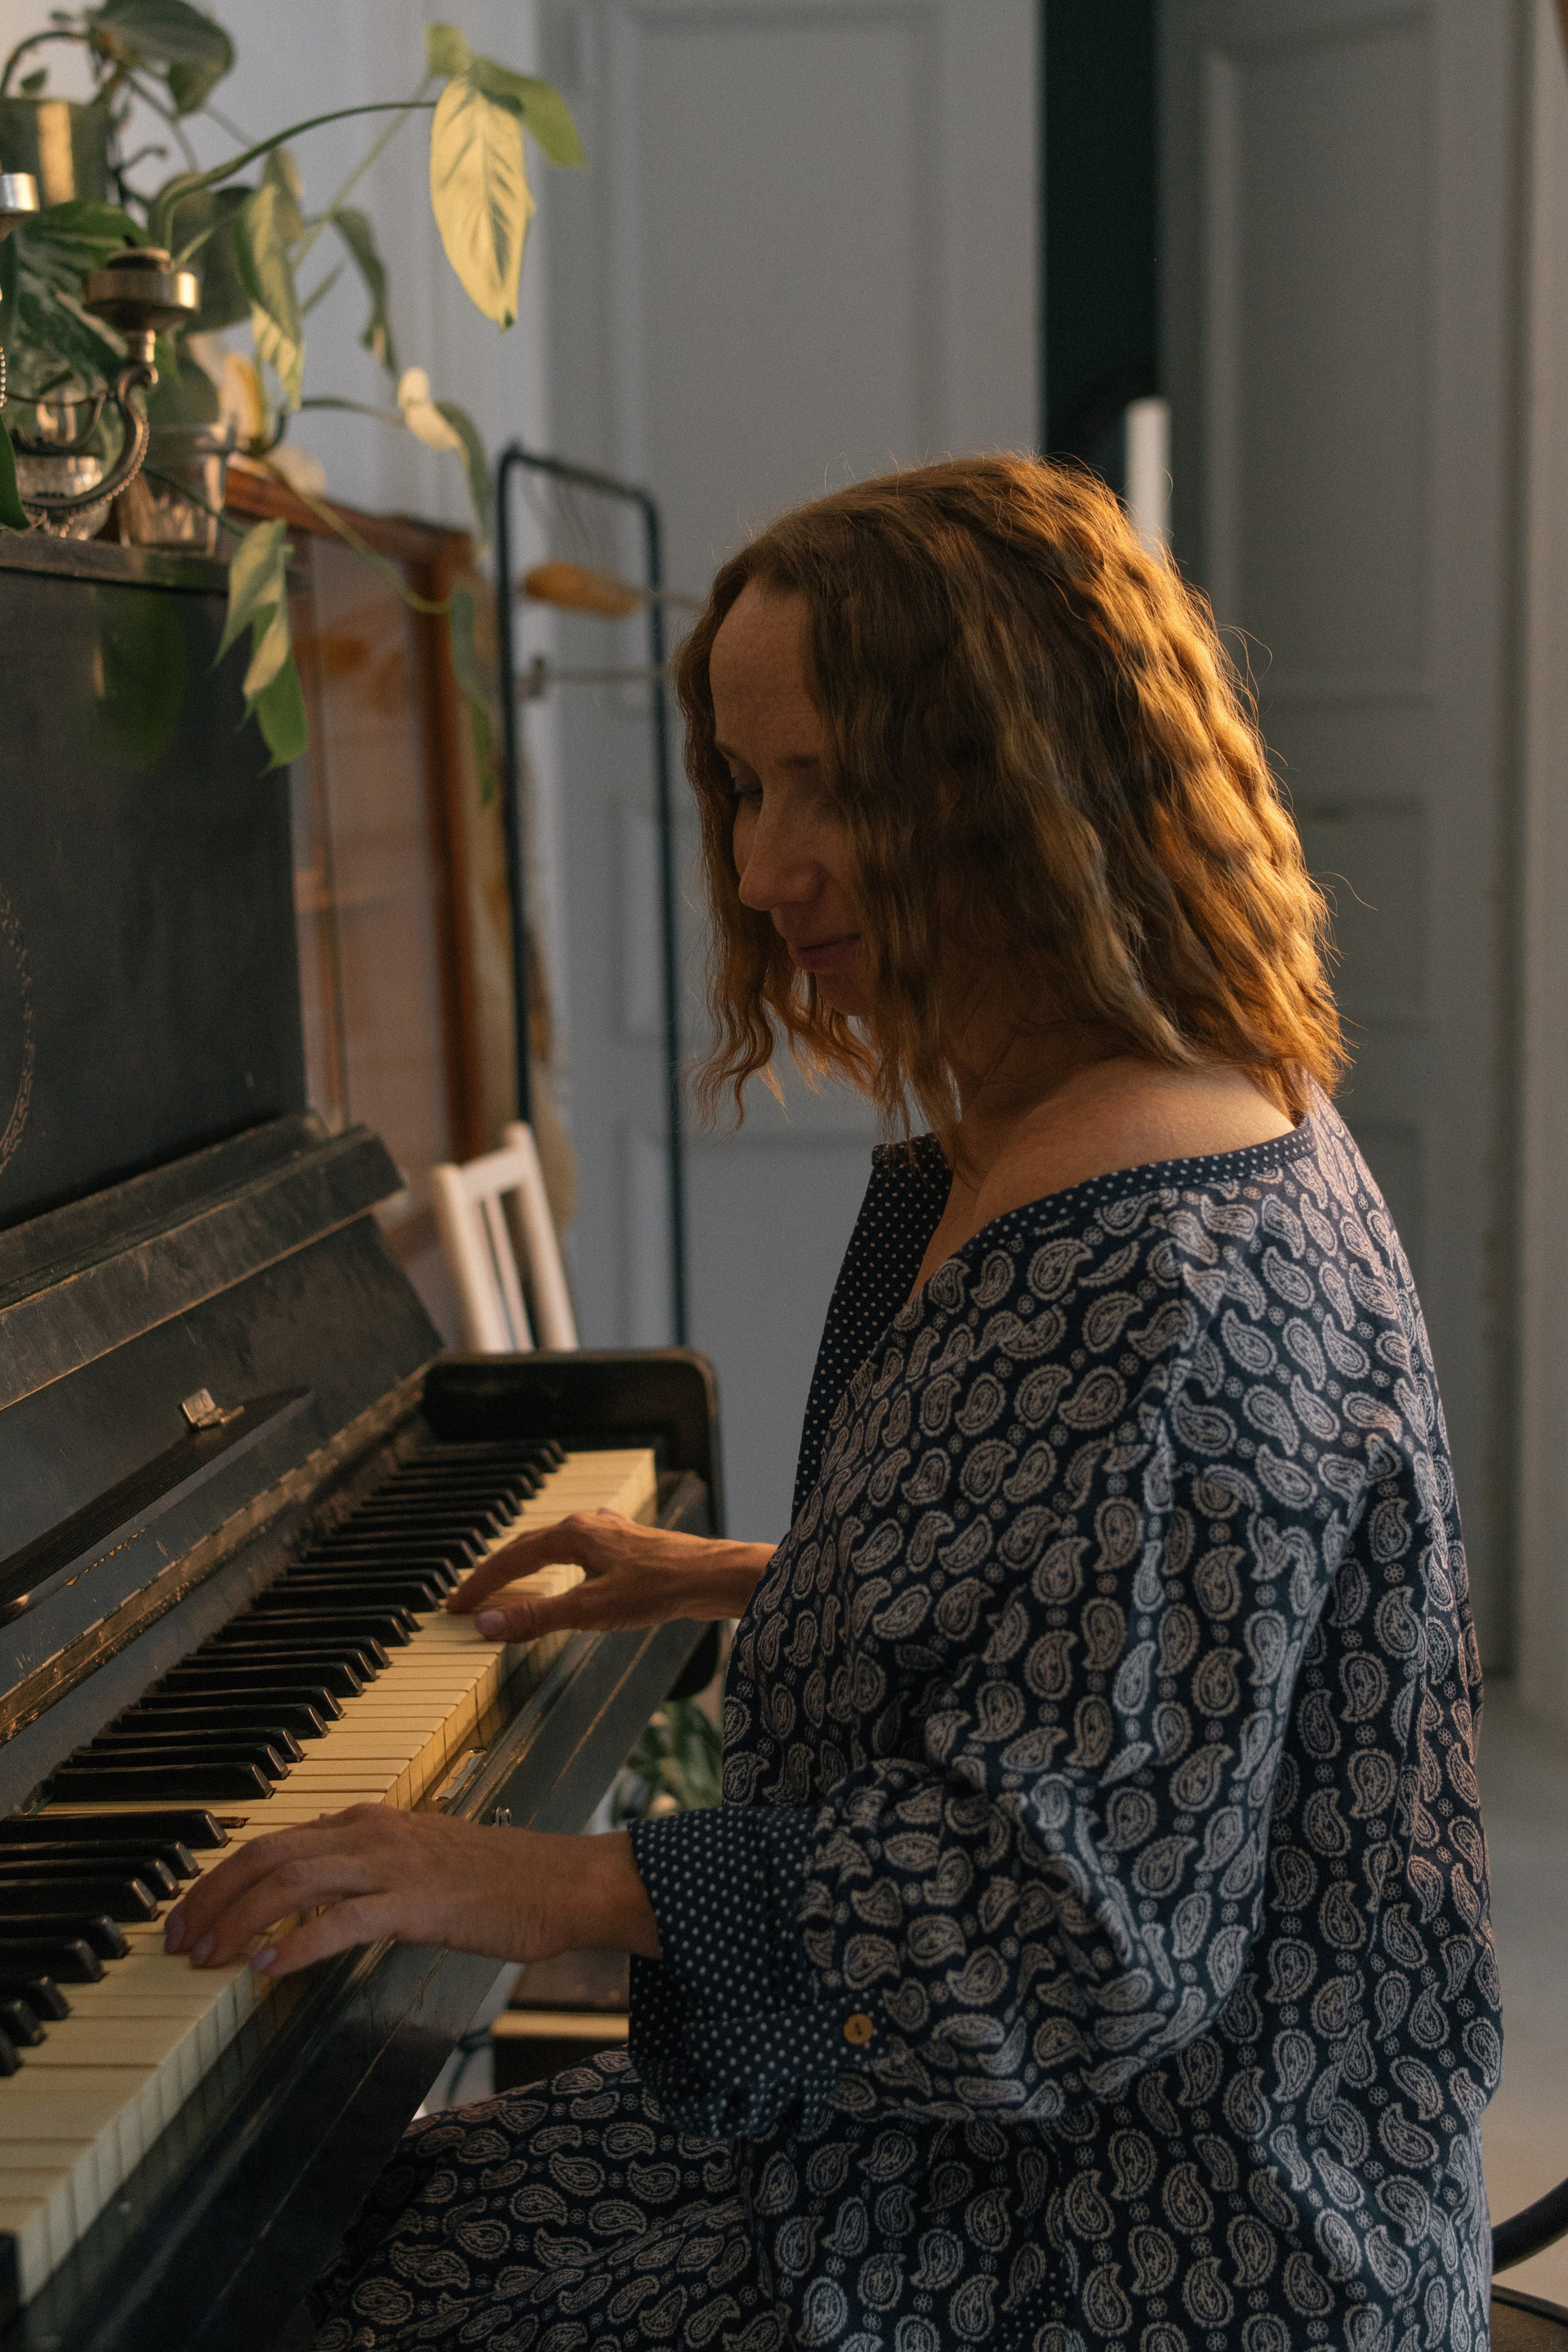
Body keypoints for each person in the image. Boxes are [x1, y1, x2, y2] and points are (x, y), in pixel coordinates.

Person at [166, 457, 1500, 2352]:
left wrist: (532, 1883)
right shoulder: (1098, 1117)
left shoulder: (1161, 1263)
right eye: (745, 785)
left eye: (839, 786)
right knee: (324, 2237)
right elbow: (1098, 1616)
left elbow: (1058, 1935)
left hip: (1136, 2251)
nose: (764, 868)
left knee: (289, 2293)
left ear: (1032, 779)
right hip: (972, 2153)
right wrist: (737, 1575)